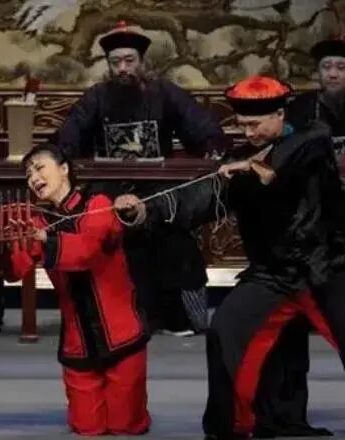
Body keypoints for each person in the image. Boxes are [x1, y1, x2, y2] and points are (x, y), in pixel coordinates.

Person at [116, 75, 345, 439]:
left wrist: (256, 167)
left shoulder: (312, 139)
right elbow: (199, 198)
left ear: (279, 115)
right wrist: (144, 211)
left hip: (325, 268)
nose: (249, 132)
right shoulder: (240, 160)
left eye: (256, 124)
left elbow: (291, 162)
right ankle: (243, 425)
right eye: (243, 125)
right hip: (272, 275)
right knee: (227, 331)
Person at [57, 21, 230, 336]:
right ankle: (112, 318)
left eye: (129, 60)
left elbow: (201, 128)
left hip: (158, 188)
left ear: (142, 61)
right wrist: (59, 157)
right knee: (105, 236)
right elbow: (71, 136)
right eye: (115, 62)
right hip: (110, 188)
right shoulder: (96, 97)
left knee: (173, 239)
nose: (123, 68)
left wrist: (212, 147)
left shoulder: (164, 93)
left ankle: (179, 317)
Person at [0, 144, 151, 436]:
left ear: (64, 168)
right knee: (86, 427)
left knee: (125, 426)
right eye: (28, 175)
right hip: (78, 342)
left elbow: (87, 251)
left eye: (40, 168)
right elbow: (15, 271)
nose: (33, 178)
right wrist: (2, 250)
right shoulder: (37, 221)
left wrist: (44, 240)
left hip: (121, 334)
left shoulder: (98, 204)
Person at [254, 37, 345, 436]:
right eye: (326, 68)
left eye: (341, 68)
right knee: (288, 332)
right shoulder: (301, 111)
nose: (333, 74)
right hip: (310, 230)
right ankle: (288, 416)